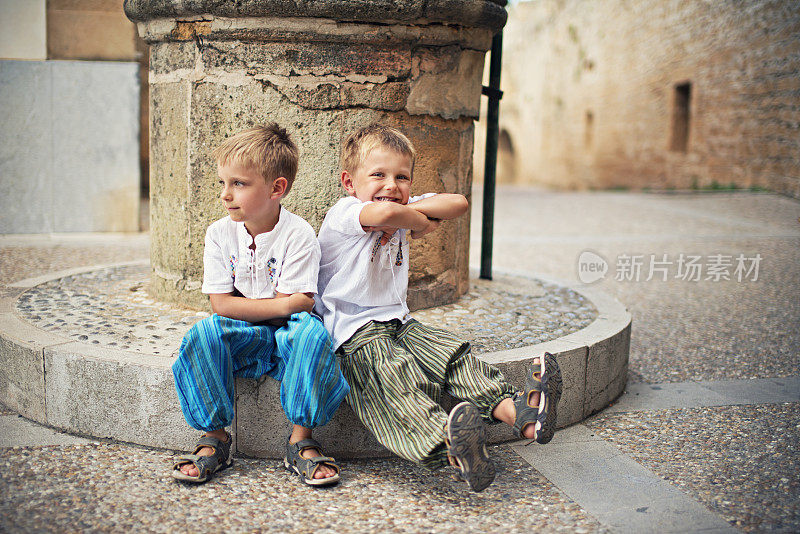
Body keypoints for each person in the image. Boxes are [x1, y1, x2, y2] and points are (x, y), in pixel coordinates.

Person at [315, 124, 562, 492]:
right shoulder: (345, 212)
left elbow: (458, 203)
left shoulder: (401, 206)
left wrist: (411, 213)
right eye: (378, 175)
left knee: (450, 354)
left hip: (399, 322)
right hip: (353, 333)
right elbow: (382, 218)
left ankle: (520, 414)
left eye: (402, 177)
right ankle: (451, 445)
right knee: (392, 376)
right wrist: (417, 220)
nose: (392, 186)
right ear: (350, 182)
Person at [171, 123, 349, 487]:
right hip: (247, 336)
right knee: (204, 332)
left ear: (276, 188)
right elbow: (221, 305)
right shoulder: (219, 234)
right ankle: (216, 438)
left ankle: (302, 440)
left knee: (311, 335)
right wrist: (284, 305)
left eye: (238, 183)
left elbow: (301, 308)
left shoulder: (297, 233)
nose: (225, 194)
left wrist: (287, 308)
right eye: (223, 183)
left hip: (288, 339)